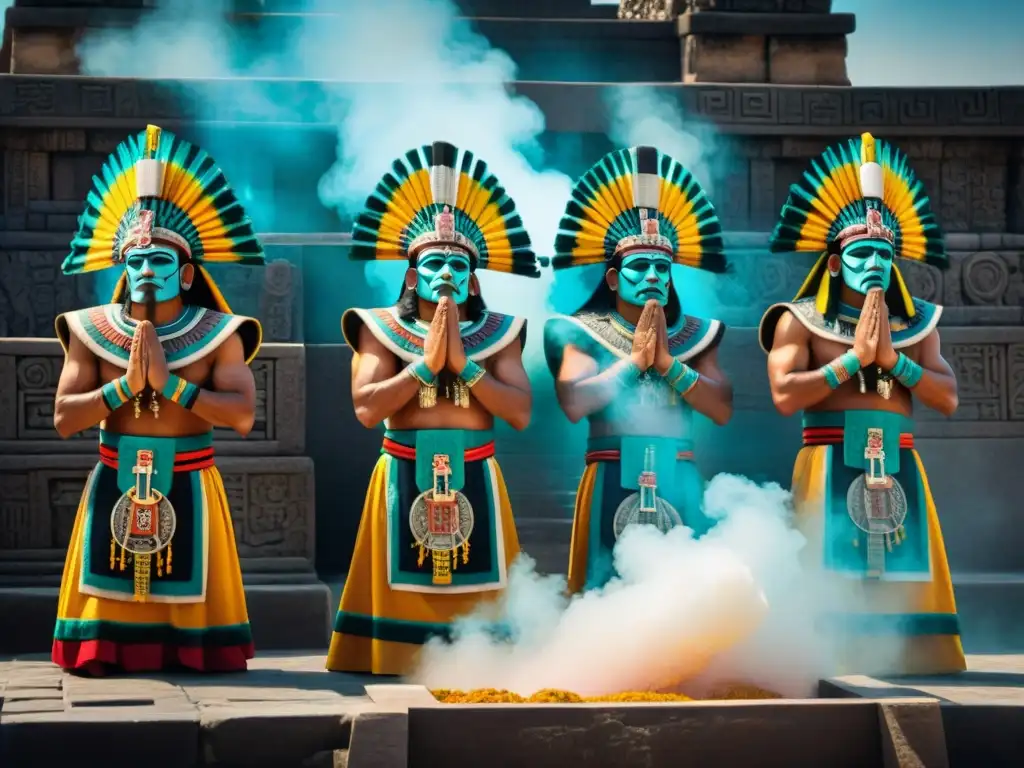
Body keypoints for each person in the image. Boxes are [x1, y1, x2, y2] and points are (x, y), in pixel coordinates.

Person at [51, 124, 265, 675]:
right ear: (123, 266)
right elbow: (65, 418)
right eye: (136, 260)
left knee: (194, 609)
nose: (146, 270)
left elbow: (243, 416)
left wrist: (174, 387)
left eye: (160, 261)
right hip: (114, 472)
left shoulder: (220, 333)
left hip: (192, 475)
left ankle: (192, 647)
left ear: (186, 271)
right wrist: (125, 387)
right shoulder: (88, 330)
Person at [326, 140, 540, 675]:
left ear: (473, 279)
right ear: (411, 275)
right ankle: (395, 655)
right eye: (433, 262)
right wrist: (424, 366)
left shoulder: (501, 332)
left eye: (457, 264)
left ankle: (486, 659)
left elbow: (520, 413)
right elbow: (366, 409)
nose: (445, 272)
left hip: (477, 467)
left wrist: (465, 367)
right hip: (402, 465)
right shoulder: (378, 328)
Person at [759, 132, 965, 675]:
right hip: (826, 458)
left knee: (906, 564)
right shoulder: (798, 319)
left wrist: (894, 361)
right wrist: (852, 361)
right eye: (860, 252)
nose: (874, 261)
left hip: (899, 460)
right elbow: (785, 395)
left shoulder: (919, 323)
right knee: (826, 567)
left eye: (883, 253)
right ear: (834, 262)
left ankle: (913, 657)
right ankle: (827, 658)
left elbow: (947, 396)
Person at [543, 145, 734, 593]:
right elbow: (575, 402)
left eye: (661, 267)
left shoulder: (696, 334)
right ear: (613, 278)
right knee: (606, 589)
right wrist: (633, 364)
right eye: (640, 265)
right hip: (610, 469)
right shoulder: (581, 331)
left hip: (680, 472)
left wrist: (668, 364)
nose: (652, 275)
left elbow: (721, 408)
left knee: (683, 595)